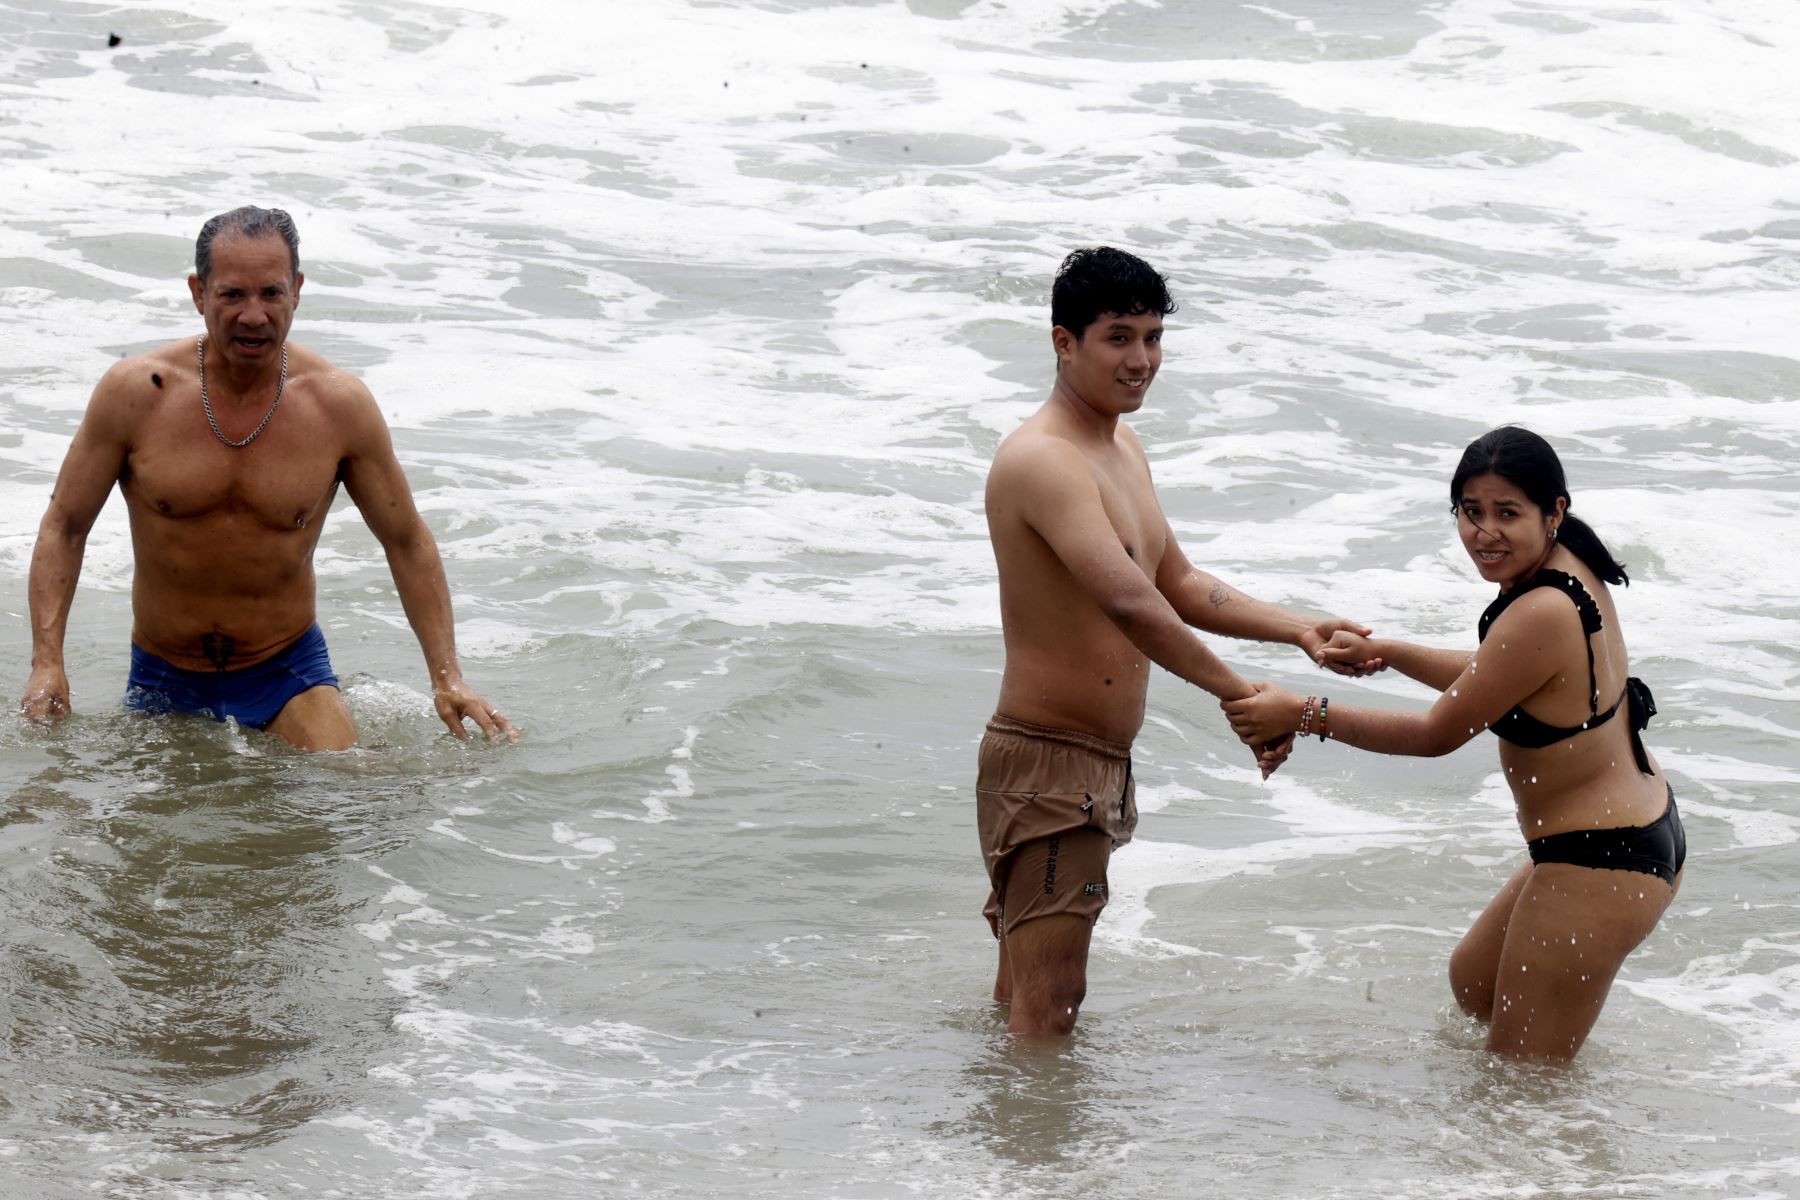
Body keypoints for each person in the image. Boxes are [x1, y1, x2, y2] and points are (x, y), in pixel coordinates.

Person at [980, 246, 1374, 1037]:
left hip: (1093, 763)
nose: (1142, 360)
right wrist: (1241, 695)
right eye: (1119, 338)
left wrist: (1296, 628)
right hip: (1051, 760)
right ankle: (1042, 1159)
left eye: (1154, 338)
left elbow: (1176, 583)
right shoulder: (1044, 461)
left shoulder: (1119, 448)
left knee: (1023, 1000)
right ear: (1065, 343)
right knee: (1051, 1007)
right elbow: (1129, 603)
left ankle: (1008, 1148)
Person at [1223, 425, 1683, 1062]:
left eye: (1506, 513)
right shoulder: (1564, 563)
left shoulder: (1541, 608)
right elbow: (1504, 675)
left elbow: (1436, 734)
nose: (1484, 533)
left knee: (1518, 1095)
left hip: (1601, 857)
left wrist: (1304, 713)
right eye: (1470, 513)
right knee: (1475, 983)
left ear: (1556, 511)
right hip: (1631, 825)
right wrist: (1390, 652)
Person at [19, 206, 515, 751]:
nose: (254, 315)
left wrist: (447, 677)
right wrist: (48, 664)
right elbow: (64, 526)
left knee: (355, 791)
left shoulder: (337, 406)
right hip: (164, 677)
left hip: (287, 674)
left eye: (271, 294)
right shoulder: (138, 393)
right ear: (198, 292)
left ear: (297, 291)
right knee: (158, 830)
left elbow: (406, 540)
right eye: (232, 295)